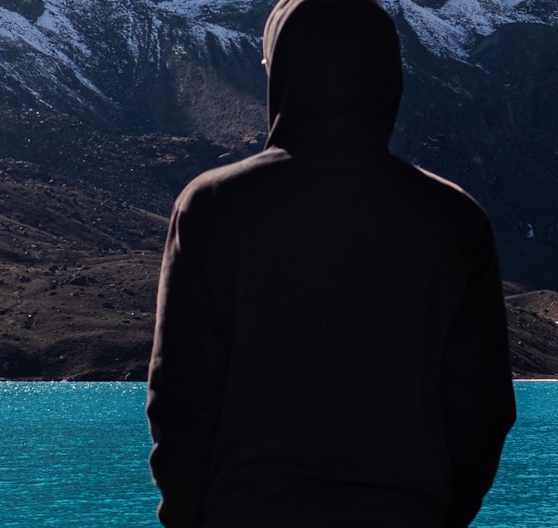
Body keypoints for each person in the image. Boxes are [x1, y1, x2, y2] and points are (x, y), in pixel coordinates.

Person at [144, 0, 517, 526]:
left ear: (284, 72)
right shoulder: (454, 217)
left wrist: (188, 515)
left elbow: (179, 393)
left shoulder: (214, 204)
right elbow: (483, 407)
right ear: (387, 76)